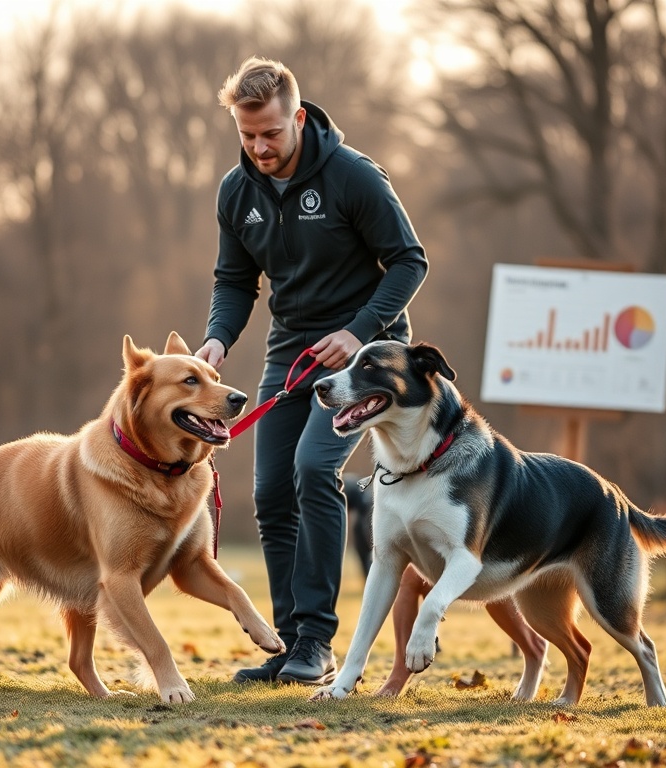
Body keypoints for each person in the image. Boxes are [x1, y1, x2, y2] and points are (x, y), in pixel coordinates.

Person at [195, 57, 428, 686]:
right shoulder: (235, 192)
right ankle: (289, 642)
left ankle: (318, 643)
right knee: (270, 488)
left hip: (367, 351)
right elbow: (234, 281)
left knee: (312, 467)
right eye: (247, 135)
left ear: (298, 118)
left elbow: (409, 262)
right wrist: (216, 340)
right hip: (291, 351)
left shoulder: (353, 177)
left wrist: (357, 332)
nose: (259, 147)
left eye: (270, 133)